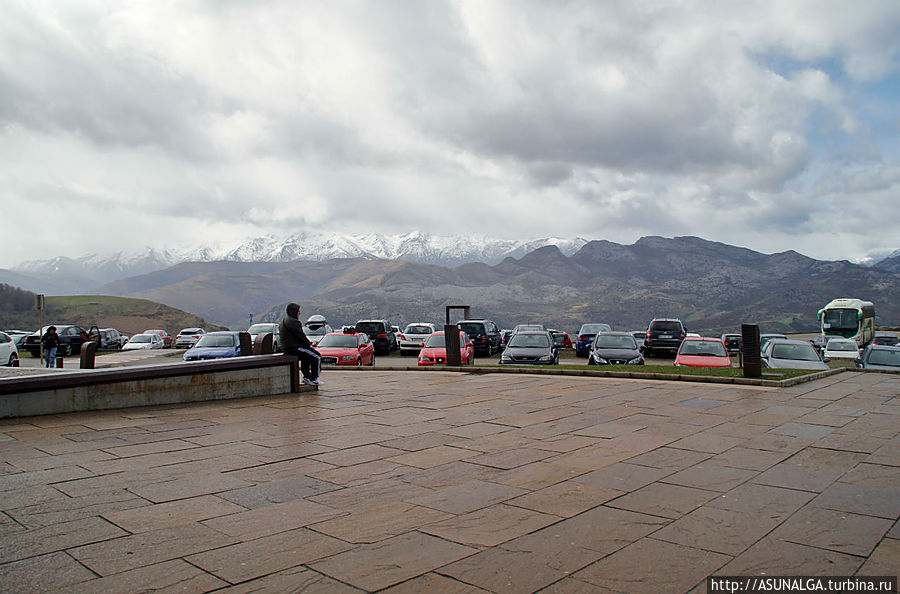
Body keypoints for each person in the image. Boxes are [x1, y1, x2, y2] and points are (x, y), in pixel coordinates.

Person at [280, 302, 322, 386]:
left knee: (305, 356)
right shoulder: (294, 322)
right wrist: (308, 344)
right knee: (317, 356)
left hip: (288, 348)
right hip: (295, 348)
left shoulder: (285, 320)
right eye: (298, 311)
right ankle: (314, 378)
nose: (300, 313)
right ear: (294, 311)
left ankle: (307, 377)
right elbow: (300, 335)